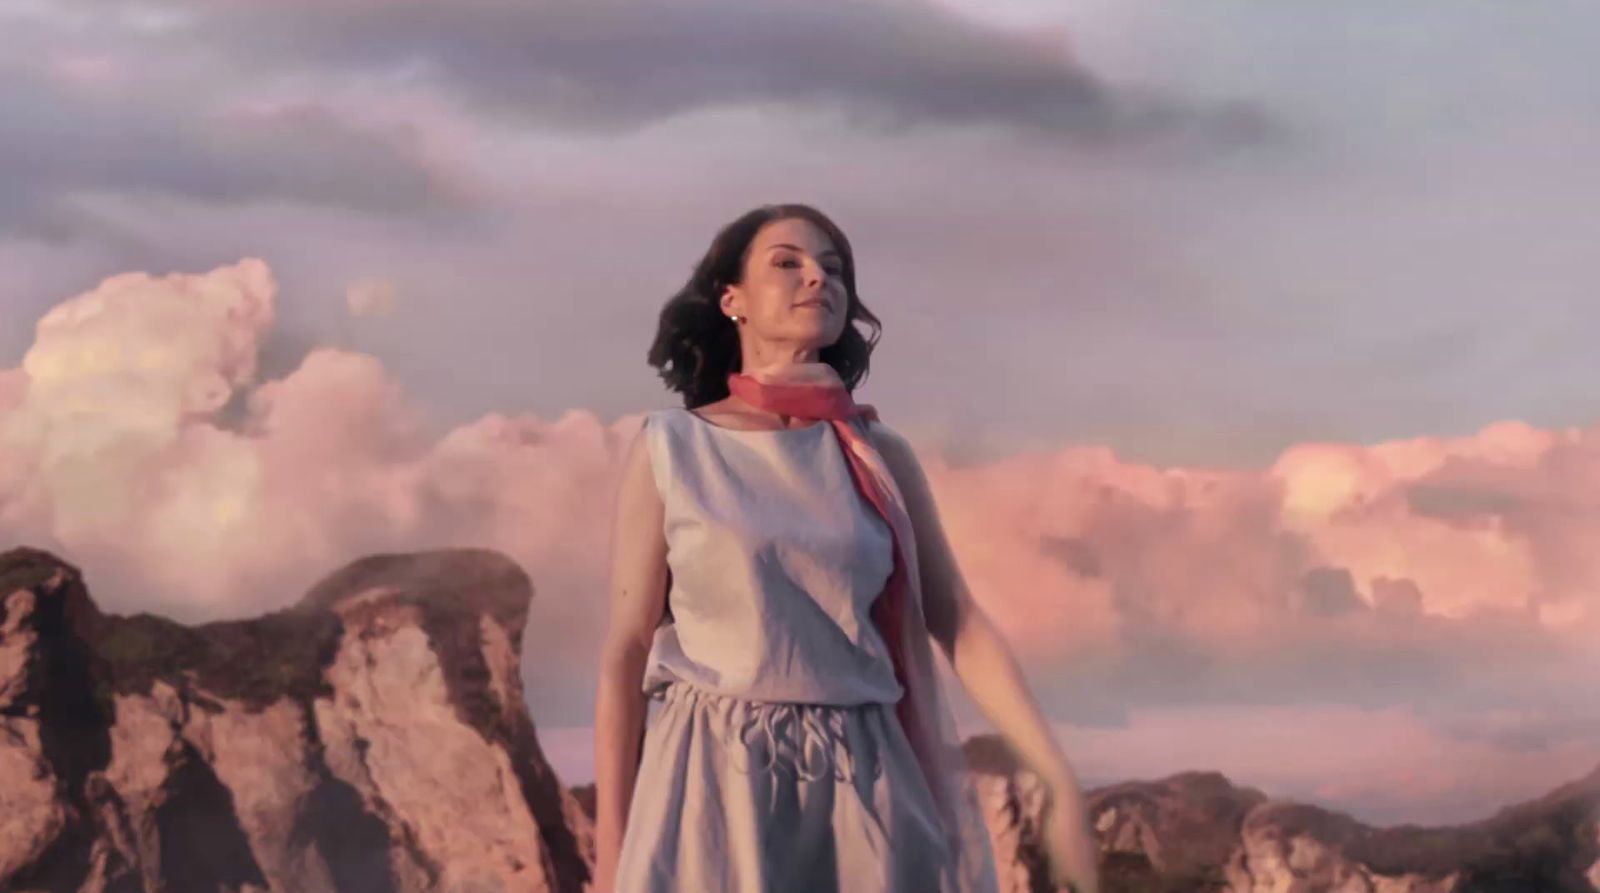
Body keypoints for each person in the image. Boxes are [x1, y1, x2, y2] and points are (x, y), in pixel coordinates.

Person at [592, 203, 1100, 893]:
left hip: (866, 773)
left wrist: (1056, 777)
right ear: (731, 299)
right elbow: (626, 652)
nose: (817, 279)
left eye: (833, 269)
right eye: (788, 262)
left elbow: (955, 619)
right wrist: (614, 849)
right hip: (712, 779)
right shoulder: (674, 447)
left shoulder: (875, 451)